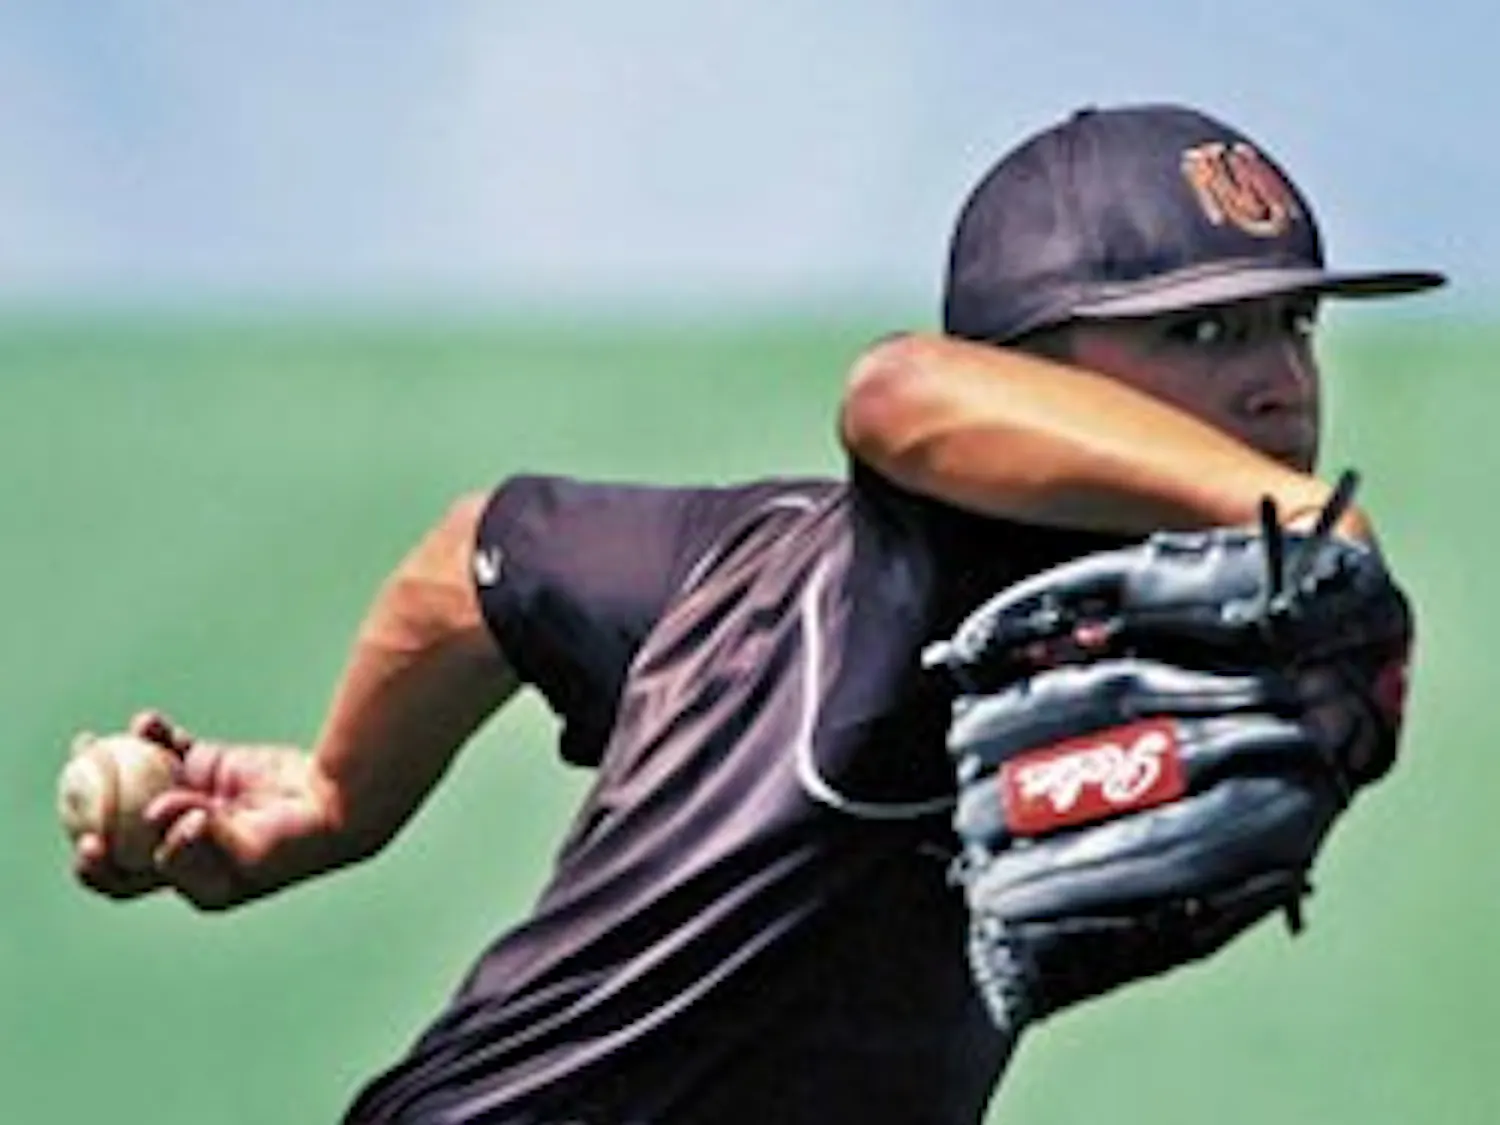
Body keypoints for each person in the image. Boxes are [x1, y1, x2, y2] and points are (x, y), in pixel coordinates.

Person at [72, 104, 1443, 1125]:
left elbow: (482, 556)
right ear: (1025, 366)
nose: (1278, 379)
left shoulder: (762, 545)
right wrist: (1304, 526)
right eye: (1199, 333)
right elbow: (898, 393)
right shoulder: (965, 563)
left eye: (1290, 327)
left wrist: (331, 795)